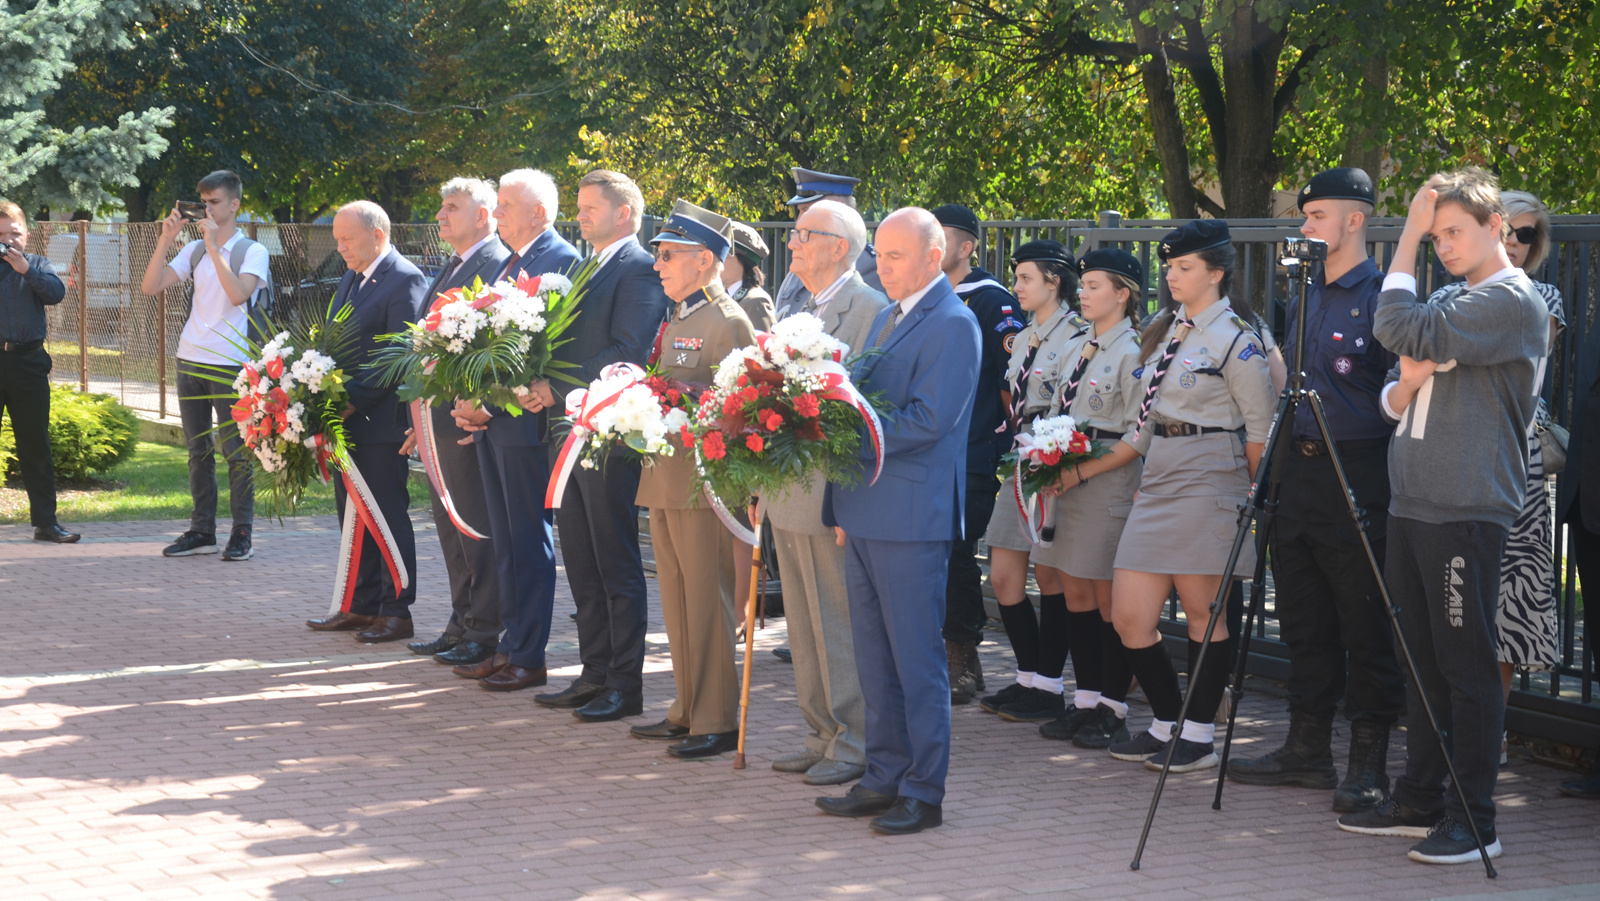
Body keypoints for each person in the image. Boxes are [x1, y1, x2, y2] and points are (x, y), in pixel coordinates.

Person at [1337, 167, 1547, 865]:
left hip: (1465, 507)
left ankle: (1475, 818)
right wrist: (1410, 380)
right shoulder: (1458, 300)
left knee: (1466, 666)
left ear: (1497, 229)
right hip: (1415, 502)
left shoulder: (1511, 302)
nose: (1443, 245)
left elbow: (1393, 323)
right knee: (1419, 660)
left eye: (1452, 232)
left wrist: (1403, 243)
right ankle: (1421, 796)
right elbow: (1394, 399)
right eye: (1437, 234)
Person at [1228, 168, 1406, 813]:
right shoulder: (1306, 290)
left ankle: (1367, 761)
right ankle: (1306, 749)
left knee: (1363, 617)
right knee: (1302, 616)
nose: (1304, 226)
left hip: (1356, 469)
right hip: (1297, 469)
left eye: (1317, 216)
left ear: (1354, 220)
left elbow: (1399, 397)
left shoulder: (1385, 296)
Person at [815, 207, 981, 836]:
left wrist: (840, 438)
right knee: (874, 658)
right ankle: (883, 776)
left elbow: (928, 422)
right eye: (877, 255)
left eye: (894, 256)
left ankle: (923, 790)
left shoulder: (954, 324)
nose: (879, 268)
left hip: (910, 516)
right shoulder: (891, 315)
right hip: (865, 508)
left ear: (934, 257)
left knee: (916, 661)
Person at [1106, 219, 1274, 773]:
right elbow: (1146, 418)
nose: (1172, 276)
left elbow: (1258, 430)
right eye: (1170, 267)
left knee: (1205, 612)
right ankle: (1166, 721)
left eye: (1185, 267)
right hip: (1160, 473)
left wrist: (1252, 496)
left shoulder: (1236, 339)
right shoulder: (1166, 328)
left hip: (1210, 470)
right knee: (1130, 615)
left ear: (1216, 272)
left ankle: (1197, 735)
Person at [524, 170, 668, 723]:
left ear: (624, 213)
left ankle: (624, 684)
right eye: (579, 206)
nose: (579, 215)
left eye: (590, 207)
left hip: (606, 434)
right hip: (568, 430)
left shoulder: (638, 269)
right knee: (581, 561)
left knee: (614, 560)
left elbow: (626, 349)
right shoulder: (586, 267)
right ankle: (593, 673)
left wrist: (552, 386)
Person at [762, 199, 887, 785]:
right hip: (788, 486)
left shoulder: (869, 310)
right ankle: (820, 732)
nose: (795, 244)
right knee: (804, 625)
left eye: (806, 235)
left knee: (837, 620)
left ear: (840, 246)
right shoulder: (799, 305)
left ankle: (855, 741)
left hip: (830, 489)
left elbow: (859, 406)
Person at [628, 199, 756, 759]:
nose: (658, 264)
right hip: (665, 476)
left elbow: (740, 407)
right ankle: (686, 708)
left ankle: (716, 718)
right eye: (659, 254)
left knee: (707, 600)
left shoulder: (727, 320)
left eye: (669, 254)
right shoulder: (679, 314)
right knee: (678, 599)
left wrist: (677, 398)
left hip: (704, 484)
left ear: (705, 260)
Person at [449, 169, 582, 690]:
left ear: (540, 213)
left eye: (506, 204)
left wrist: (491, 404)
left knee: (527, 542)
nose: (498, 213)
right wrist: (469, 396)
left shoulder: (560, 261)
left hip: (526, 428)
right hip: (496, 425)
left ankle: (529, 655)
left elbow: (545, 358)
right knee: (505, 543)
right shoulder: (514, 260)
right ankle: (510, 645)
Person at [1034, 248, 1147, 748]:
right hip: (1068, 480)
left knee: (1105, 601)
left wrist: (1080, 473)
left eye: (1095, 285)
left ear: (1123, 293)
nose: (1083, 292)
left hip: (1103, 482)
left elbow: (1136, 437)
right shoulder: (1085, 346)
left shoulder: (1133, 351)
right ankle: (1085, 701)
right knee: (1074, 592)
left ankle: (1113, 707)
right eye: (1083, 284)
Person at [968, 239, 1084, 723]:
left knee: (1053, 577)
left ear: (1054, 282)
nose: (1015, 288)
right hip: (1022, 457)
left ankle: (1048, 685)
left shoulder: (1076, 334)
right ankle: (1028, 676)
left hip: (1053, 457)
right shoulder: (1026, 334)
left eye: (1025, 279)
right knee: (1003, 576)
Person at [302, 201, 427, 639]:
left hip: (378, 420)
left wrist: (350, 399)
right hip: (346, 420)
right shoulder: (352, 278)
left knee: (385, 516)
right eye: (337, 239)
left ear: (377, 234)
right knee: (354, 517)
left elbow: (400, 353)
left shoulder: (405, 278)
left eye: (347, 239)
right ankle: (361, 604)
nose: (340, 248)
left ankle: (397, 611)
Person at [403, 177, 507, 658]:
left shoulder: (497, 264)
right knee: (450, 529)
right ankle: (461, 621)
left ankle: (485, 629)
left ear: (482, 216)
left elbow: (492, 349)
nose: (441, 216)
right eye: (440, 207)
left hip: (467, 424)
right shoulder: (455, 264)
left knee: (474, 527)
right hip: (437, 421)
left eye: (452, 207)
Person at [139, 170, 266, 562]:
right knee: (198, 452)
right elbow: (151, 285)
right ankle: (202, 531)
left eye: (214, 202)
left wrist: (214, 248)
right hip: (189, 358)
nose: (207, 208)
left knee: (237, 453)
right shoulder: (193, 250)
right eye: (203, 202)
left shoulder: (250, 251)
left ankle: (241, 532)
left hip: (230, 365)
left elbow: (237, 295)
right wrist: (165, 239)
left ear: (234, 205)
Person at [930, 203, 1026, 704]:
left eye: (939, 236)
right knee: (932, 551)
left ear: (966, 246)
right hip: (928, 448)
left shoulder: (991, 301)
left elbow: (1012, 383)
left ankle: (963, 656)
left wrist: (996, 444)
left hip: (971, 449)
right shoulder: (919, 295)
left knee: (955, 551)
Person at [1491, 191, 1564, 715]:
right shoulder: (1449, 296)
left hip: (1517, 459)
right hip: (1451, 456)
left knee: (1507, 603)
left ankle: (1489, 734)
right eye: (1506, 230)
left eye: (1526, 234)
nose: (1514, 243)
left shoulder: (1546, 298)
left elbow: (1518, 359)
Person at [0, 201, 77, 543]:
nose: (8, 241)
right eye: (1, 235)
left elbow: (56, 294)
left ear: (27, 235)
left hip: (28, 364)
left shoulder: (38, 265)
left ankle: (46, 524)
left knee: (35, 446)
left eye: (14, 234)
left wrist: (25, 271)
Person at [719, 220, 773, 629]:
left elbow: (759, 367)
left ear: (736, 259)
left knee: (740, 525)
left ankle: (740, 616)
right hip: (722, 427)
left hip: (742, 430)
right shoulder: (720, 298)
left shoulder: (753, 301)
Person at [773, 167, 883, 313]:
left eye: (807, 210)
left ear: (840, 209)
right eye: (799, 211)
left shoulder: (866, 264)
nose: (799, 219)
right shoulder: (803, 258)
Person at [724, 221, 775, 330]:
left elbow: (761, 345)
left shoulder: (755, 301)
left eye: (724, 255)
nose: (717, 260)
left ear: (743, 260)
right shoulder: (723, 296)